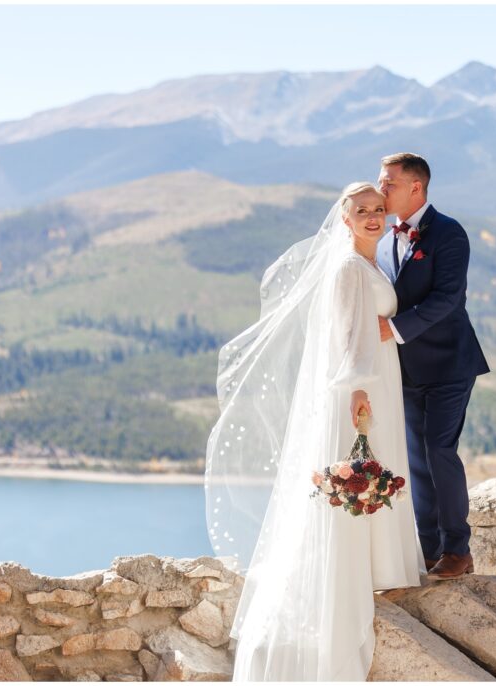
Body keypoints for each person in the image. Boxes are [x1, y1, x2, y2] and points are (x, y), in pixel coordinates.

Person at [205, 183, 425, 681]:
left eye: (376, 210)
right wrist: (356, 393)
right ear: (344, 220)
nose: (371, 217)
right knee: (361, 475)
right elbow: (345, 336)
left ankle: (377, 565)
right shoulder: (349, 267)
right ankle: (353, 574)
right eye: (361, 212)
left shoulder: (369, 264)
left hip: (376, 383)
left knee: (376, 475)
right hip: (362, 390)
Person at [375, 152, 490, 579]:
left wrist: (394, 329)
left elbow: (448, 299)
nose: (381, 189)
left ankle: (458, 551)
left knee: (440, 451)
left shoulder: (448, 233)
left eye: (388, 183)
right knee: (415, 461)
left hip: (449, 365)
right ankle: (430, 550)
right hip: (404, 371)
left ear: (415, 187)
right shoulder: (386, 240)